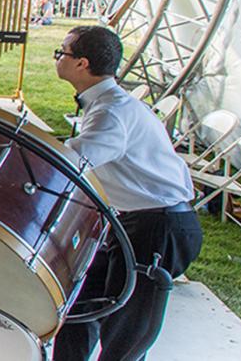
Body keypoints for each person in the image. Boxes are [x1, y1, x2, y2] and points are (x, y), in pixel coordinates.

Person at [51, 26, 202, 360]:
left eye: (62, 52)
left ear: (82, 64)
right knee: (80, 305)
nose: (57, 58)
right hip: (135, 221)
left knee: (125, 331)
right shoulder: (104, 103)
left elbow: (74, 160)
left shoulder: (111, 111)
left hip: (158, 226)